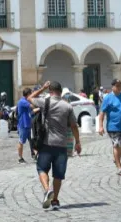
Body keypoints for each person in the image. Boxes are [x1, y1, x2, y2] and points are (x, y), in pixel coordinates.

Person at [28, 81, 81, 210]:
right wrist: (78, 142)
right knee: (58, 175)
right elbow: (74, 126)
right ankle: (55, 200)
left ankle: (47, 190)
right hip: (62, 145)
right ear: (61, 91)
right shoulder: (67, 106)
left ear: (50, 91)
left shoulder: (45, 102)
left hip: (46, 143)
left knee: (41, 168)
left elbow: (29, 98)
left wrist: (42, 88)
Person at [16, 88, 35, 163]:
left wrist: (40, 108)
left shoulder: (26, 101)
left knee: (33, 140)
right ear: (28, 94)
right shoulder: (22, 101)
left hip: (29, 124)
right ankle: (20, 158)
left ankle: (34, 155)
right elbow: (32, 106)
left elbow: (32, 111)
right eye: (31, 94)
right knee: (21, 141)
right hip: (23, 124)